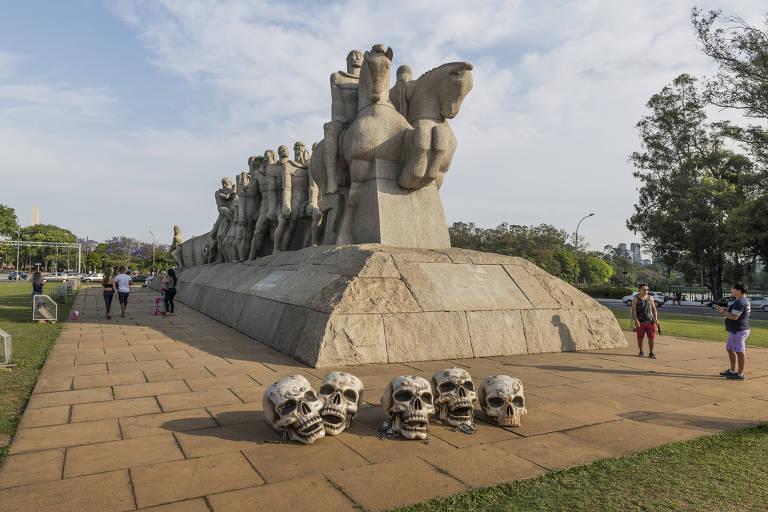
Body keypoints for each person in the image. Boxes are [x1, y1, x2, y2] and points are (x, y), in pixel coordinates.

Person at [715, 283, 751, 380]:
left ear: (739, 291)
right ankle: (732, 370)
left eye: (733, 289)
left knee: (740, 352)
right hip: (736, 330)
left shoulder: (740, 302)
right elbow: (734, 312)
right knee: (729, 349)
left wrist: (721, 311)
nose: (731, 290)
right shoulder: (742, 300)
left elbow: (734, 317)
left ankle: (740, 374)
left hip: (738, 331)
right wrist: (725, 309)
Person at [631, 283, 659, 359]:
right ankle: (641, 351)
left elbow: (654, 309)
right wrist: (636, 320)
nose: (646, 291)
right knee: (640, 338)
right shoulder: (635, 299)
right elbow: (633, 311)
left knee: (651, 338)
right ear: (639, 290)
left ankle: (651, 353)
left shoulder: (651, 298)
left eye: (647, 289)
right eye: (644, 289)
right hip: (640, 322)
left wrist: (656, 319)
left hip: (650, 322)